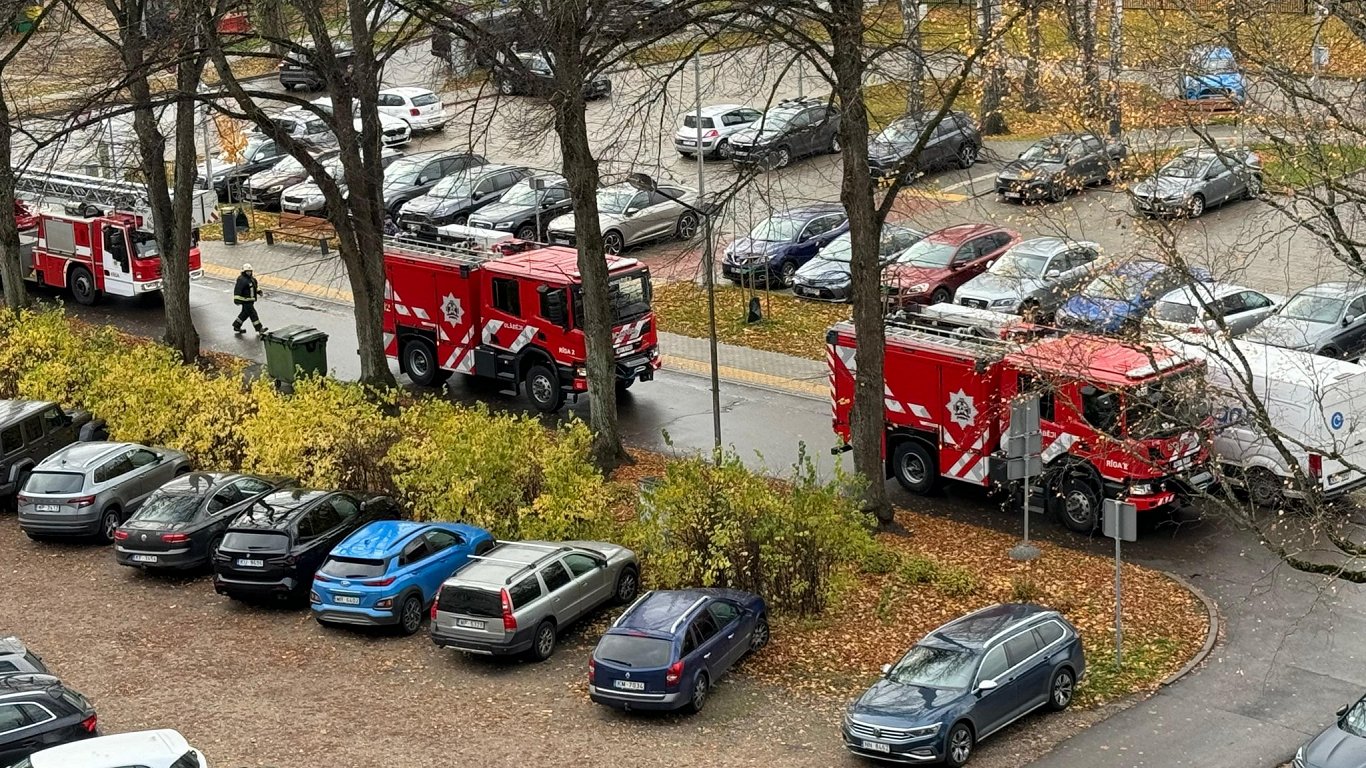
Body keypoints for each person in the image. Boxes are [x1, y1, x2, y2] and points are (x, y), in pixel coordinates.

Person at [232, 263, 267, 336]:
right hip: (245, 301)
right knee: (253, 314)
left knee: (244, 314)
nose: (249, 273)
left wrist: (259, 291)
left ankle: (236, 326)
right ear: (244, 272)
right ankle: (259, 329)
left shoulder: (252, 279)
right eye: (247, 271)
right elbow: (238, 290)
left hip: (251, 301)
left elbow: (255, 287)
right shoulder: (241, 280)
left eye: (250, 271)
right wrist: (237, 299)